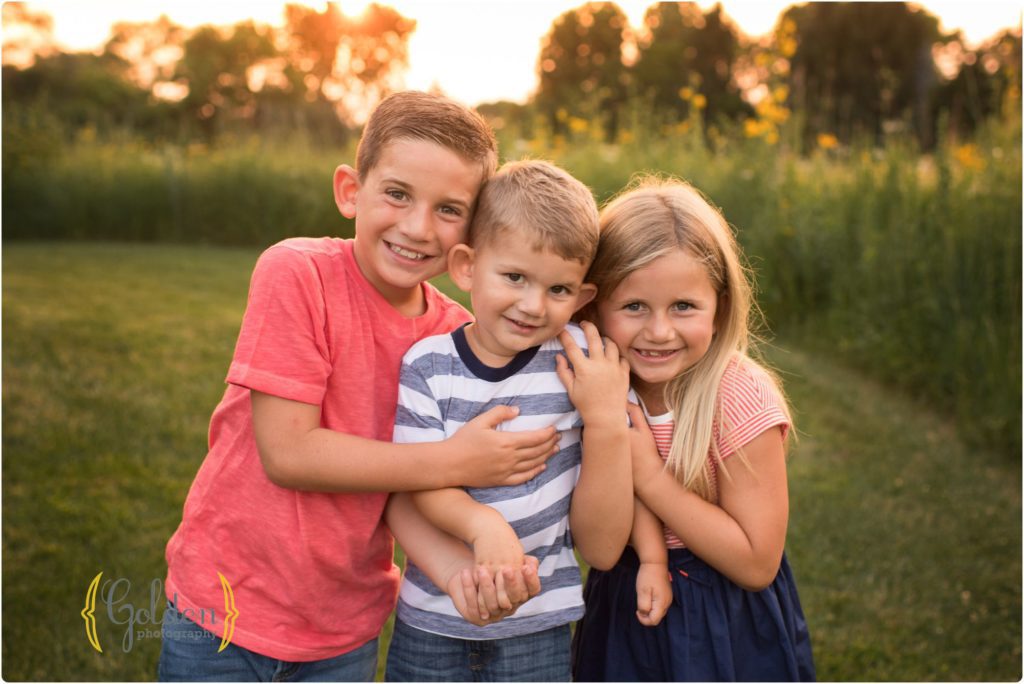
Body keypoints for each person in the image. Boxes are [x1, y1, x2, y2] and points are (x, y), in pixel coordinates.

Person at [158, 91, 556, 682]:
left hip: (344, 627)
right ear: (350, 191)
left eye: (449, 209)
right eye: (397, 194)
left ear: (473, 231)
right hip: (223, 607)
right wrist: (456, 459)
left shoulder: (453, 337)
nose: (417, 227)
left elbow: (400, 490)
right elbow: (289, 454)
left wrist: (454, 574)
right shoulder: (298, 273)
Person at [383, 160, 635, 682]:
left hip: (539, 620)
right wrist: (484, 526)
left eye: (558, 290)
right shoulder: (428, 366)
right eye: (514, 277)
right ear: (467, 267)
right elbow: (418, 479)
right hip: (433, 620)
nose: (533, 305)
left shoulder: (580, 361)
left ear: (582, 298)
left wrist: (607, 416)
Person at [570, 177, 816, 681]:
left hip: (723, 619)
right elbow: (597, 548)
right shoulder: (597, 390)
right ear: (593, 307)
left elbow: (756, 563)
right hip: (624, 607)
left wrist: (649, 475)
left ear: (719, 307)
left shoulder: (737, 398)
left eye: (683, 306)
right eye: (634, 306)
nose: (659, 331)